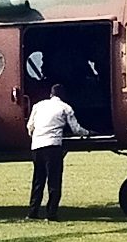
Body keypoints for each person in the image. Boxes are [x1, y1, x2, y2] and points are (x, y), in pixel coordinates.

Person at [26, 83, 92, 221]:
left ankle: (33, 212)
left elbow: (30, 126)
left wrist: (36, 136)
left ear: (51, 94)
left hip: (37, 145)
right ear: (64, 96)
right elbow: (76, 129)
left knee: (38, 180)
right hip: (53, 146)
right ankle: (51, 214)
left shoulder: (38, 106)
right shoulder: (65, 107)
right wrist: (88, 133)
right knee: (54, 181)